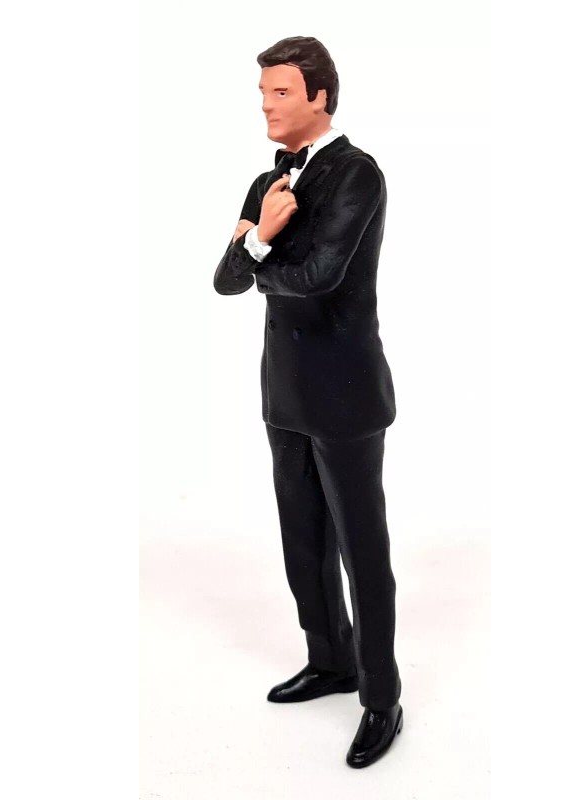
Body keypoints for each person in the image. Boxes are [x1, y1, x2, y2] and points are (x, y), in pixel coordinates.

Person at [213, 36, 402, 769]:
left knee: (362, 548)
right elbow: (224, 280)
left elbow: (321, 274)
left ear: (321, 96)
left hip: (346, 393)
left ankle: (382, 695)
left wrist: (258, 244)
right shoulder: (269, 180)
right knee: (304, 542)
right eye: (263, 92)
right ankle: (331, 659)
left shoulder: (357, 174)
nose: (266, 105)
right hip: (285, 391)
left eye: (281, 91)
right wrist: (260, 237)